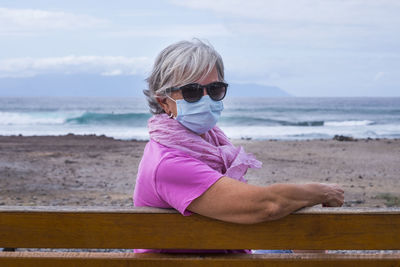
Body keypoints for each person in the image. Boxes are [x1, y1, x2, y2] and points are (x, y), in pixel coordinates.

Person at [133, 39, 344, 254]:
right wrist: (321, 192)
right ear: (163, 102)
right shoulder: (169, 164)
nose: (206, 99)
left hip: (221, 254)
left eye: (214, 89)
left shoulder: (206, 143)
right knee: (304, 231)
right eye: (192, 92)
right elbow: (266, 206)